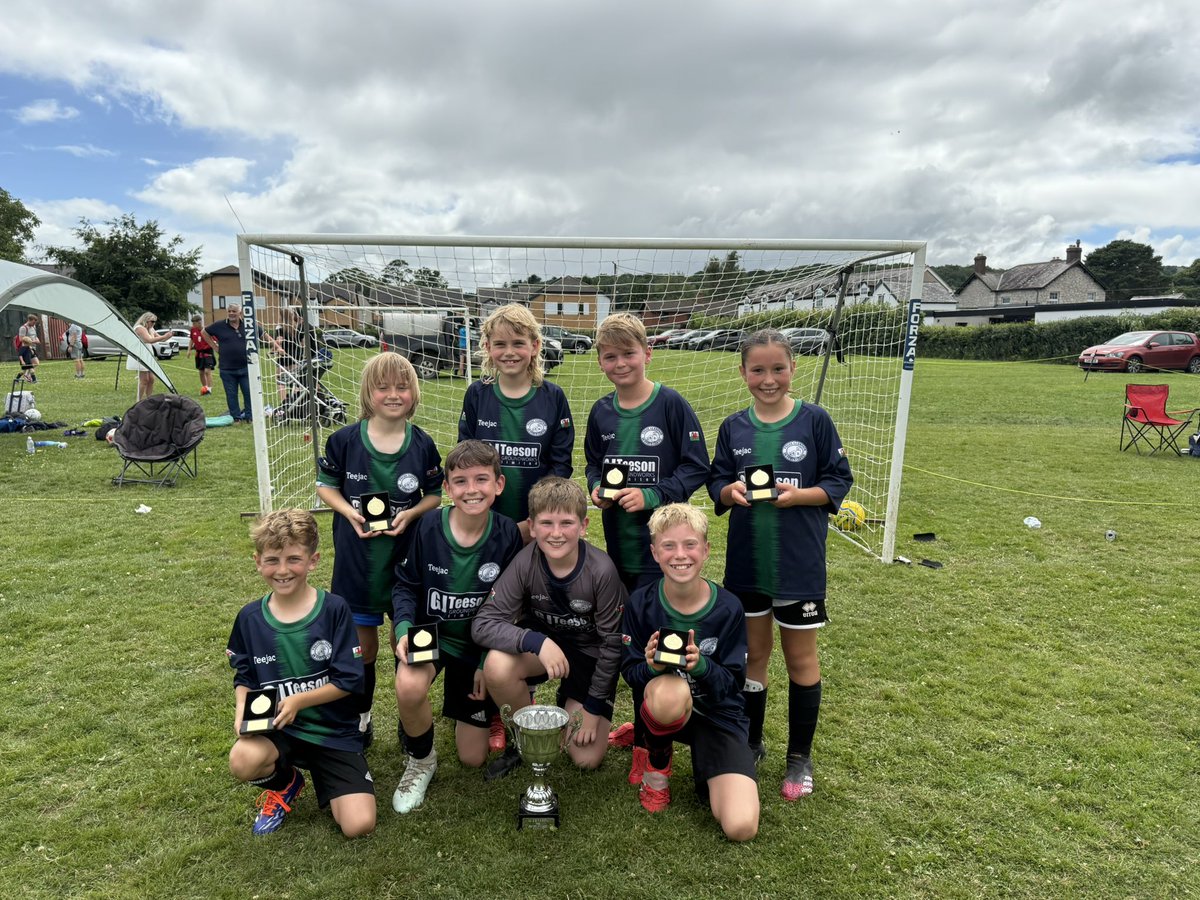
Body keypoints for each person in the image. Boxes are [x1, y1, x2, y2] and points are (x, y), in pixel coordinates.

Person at [708, 329, 853, 801]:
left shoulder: (814, 421)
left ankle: (799, 756)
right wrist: (729, 492)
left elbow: (837, 479)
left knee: (800, 659)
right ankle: (751, 743)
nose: (768, 379)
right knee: (754, 657)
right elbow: (718, 481)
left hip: (798, 565)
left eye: (778, 369)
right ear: (743, 372)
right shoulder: (734, 427)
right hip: (747, 565)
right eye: (758, 370)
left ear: (793, 369)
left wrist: (799, 497)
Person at [583, 311, 709, 782]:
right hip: (620, 553)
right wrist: (597, 488)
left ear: (647, 353)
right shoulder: (601, 411)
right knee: (630, 641)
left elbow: (697, 466)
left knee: (661, 645)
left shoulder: (671, 404)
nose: (620, 364)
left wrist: (654, 495)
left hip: (665, 554)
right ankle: (641, 727)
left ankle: (656, 745)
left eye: (628, 354)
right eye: (610, 356)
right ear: (600, 361)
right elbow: (595, 463)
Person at [316, 352, 443, 748]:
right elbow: (325, 486)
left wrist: (410, 515)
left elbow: (435, 494)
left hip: (407, 564)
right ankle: (362, 717)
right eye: (383, 387)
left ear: (414, 393)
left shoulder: (422, 443)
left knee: (403, 643)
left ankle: (411, 725)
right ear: (368, 393)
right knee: (362, 647)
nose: (393, 394)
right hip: (358, 563)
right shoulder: (344, 440)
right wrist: (349, 513)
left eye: (402, 387)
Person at [389, 440, 522, 814]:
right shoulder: (428, 525)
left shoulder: (507, 533)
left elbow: (510, 607)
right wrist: (402, 629)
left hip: (476, 645)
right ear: (447, 488)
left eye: (482, 479)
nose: (471, 489)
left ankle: (469, 712)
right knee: (409, 684)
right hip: (431, 637)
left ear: (499, 484)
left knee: (472, 758)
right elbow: (405, 585)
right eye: (460, 481)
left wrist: (485, 663)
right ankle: (421, 760)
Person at [225, 509, 375, 838]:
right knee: (242, 759)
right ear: (257, 561)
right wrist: (242, 713)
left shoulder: (334, 609)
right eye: (272, 559)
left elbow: (350, 680)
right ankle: (287, 783)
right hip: (279, 732)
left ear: (313, 560)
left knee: (358, 825)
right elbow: (244, 677)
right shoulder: (249, 618)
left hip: (333, 732)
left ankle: (332, 776)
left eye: (293, 559)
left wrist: (297, 701)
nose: (282, 570)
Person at [619, 503, 759, 841]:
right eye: (669, 545)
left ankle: (707, 760)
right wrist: (650, 666)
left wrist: (703, 666)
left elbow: (733, 685)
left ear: (707, 550)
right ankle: (657, 763)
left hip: (717, 716)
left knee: (740, 827)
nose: (680, 555)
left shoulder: (728, 607)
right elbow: (629, 672)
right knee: (668, 693)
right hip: (669, 704)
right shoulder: (641, 603)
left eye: (690, 544)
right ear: (654, 552)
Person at [472, 476, 627, 780]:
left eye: (566, 523)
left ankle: (570, 702)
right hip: (543, 648)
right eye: (546, 523)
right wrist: (535, 641)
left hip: (588, 656)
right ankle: (522, 739)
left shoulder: (602, 570)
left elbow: (612, 645)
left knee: (585, 758)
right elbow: (483, 623)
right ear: (531, 526)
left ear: (583, 526)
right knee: (497, 665)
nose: (556, 534)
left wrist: (593, 709)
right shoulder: (524, 562)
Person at [458, 303, 574, 543]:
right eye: (500, 344)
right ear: (488, 348)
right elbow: (464, 460)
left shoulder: (553, 396)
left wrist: (536, 517)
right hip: (485, 522)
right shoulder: (477, 395)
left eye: (518, 343)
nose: (509, 352)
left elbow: (561, 465)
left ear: (535, 346)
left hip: (535, 525)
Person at [202, 302, 281, 421]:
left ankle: (250, 417)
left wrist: (277, 347)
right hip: (227, 368)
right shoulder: (219, 325)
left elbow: (264, 335)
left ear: (240, 313)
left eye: (234, 311)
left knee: (249, 394)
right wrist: (215, 347)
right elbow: (204, 332)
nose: (231, 313)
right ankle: (236, 418)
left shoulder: (249, 325)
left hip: (247, 367)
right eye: (229, 311)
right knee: (231, 395)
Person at [127, 312, 173, 402]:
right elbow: (149, 340)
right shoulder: (140, 328)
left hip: (148, 354)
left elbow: (161, 338)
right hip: (141, 355)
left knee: (151, 379)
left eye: (155, 322)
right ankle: (139, 400)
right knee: (144, 380)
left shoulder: (151, 329)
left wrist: (168, 336)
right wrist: (164, 336)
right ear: (146, 320)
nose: (153, 323)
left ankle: (149, 399)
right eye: (152, 321)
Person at [188, 314, 215, 395]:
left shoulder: (207, 330)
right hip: (199, 353)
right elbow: (192, 339)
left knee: (207, 371)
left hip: (207, 352)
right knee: (201, 372)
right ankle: (205, 388)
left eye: (194, 323)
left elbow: (215, 340)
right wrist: (189, 350)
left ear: (199, 322)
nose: (193, 325)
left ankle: (209, 389)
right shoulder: (193, 330)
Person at [17, 314, 40, 383]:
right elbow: (21, 339)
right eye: (33, 322)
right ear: (29, 320)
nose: (34, 324)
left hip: (33, 348)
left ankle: (27, 375)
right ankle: (29, 377)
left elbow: (35, 336)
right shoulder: (23, 328)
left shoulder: (34, 327)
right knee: (33, 364)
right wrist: (31, 341)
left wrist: (37, 340)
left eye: (35, 322)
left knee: (36, 363)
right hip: (27, 349)